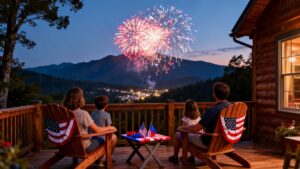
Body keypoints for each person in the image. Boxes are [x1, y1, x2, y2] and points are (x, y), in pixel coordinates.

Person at [168, 82, 231, 164]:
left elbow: (195, 128)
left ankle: (176, 157)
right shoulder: (231, 108)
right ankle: (191, 157)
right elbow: (231, 127)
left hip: (208, 142)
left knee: (178, 134)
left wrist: (183, 128)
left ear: (214, 94)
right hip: (225, 142)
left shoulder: (213, 111)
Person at [63, 87, 117, 153]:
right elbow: (97, 130)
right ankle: (104, 160)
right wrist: (111, 127)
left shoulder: (63, 113)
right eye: (82, 96)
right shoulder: (83, 114)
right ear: (80, 99)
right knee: (113, 137)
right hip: (84, 146)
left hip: (67, 145)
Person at [90, 95, 117, 165]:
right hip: (101, 137)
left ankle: (102, 158)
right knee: (114, 137)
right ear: (106, 105)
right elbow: (109, 128)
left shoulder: (92, 114)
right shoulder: (107, 115)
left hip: (92, 137)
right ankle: (106, 158)